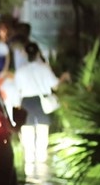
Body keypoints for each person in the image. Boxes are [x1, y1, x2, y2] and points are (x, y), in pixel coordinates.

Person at [12, 35, 62, 164]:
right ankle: (41, 161)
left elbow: (17, 90)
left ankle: (29, 161)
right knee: (42, 132)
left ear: (25, 55)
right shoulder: (44, 68)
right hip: (42, 102)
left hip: (26, 102)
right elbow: (55, 84)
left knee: (27, 133)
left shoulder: (20, 71)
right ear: (38, 53)